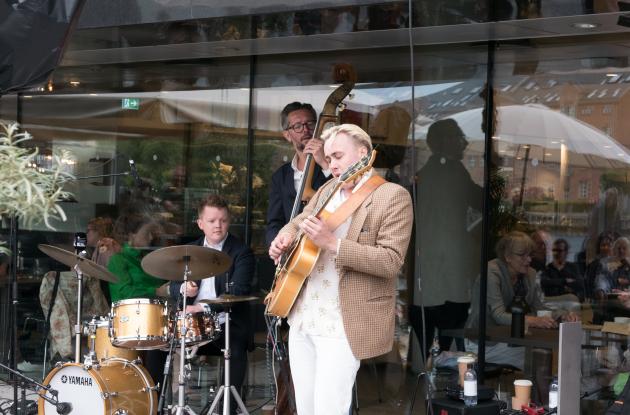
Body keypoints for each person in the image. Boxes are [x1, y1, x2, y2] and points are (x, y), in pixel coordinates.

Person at [268, 123, 413, 415]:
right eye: (329, 158)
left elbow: (390, 261)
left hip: (343, 322)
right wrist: (284, 237)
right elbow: (299, 220)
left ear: (363, 153)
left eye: (338, 156)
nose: (332, 164)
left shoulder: (392, 196)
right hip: (303, 316)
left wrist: (333, 244)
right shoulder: (328, 189)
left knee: (329, 408)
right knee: (305, 408)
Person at [171, 195, 255, 413]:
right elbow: (171, 286)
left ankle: (228, 408)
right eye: (212, 221)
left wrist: (203, 307)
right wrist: (183, 288)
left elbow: (239, 291)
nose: (218, 225)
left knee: (235, 349)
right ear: (200, 224)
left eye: (223, 220)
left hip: (226, 323)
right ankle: (161, 405)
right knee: (159, 346)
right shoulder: (189, 251)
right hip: (192, 324)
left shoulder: (241, 252)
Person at [409, 119, 482, 356]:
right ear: (445, 141)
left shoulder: (425, 173)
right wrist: (497, 180)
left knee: (426, 327)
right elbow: (481, 201)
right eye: (458, 137)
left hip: (428, 263)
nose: (464, 143)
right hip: (447, 264)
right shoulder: (452, 171)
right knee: (450, 326)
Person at [465, 231, 579, 370]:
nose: (529, 259)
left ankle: (540, 385)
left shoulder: (529, 274)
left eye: (530, 254)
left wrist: (563, 315)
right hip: (482, 342)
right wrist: (535, 321)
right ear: (507, 256)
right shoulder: (491, 272)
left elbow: (540, 308)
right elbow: (498, 315)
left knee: (543, 352)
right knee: (539, 355)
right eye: (522, 255)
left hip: (510, 338)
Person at [107, 214, 170, 385]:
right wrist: (156, 291)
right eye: (147, 233)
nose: (150, 237)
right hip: (129, 322)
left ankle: (159, 392)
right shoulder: (118, 260)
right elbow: (124, 293)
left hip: (154, 322)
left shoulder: (147, 259)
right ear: (131, 235)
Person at [265, 102, 331, 247]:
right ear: (287, 135)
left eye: (310, 123)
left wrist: (325, 163)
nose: (306, 130)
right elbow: (274, 222)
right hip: (292, 252)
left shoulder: (333, 165)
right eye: (298, 126)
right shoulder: (280, 177)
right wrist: (277, 244)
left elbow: (344, 194)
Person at [541, 238, 584, 303]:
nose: (556, 253)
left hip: (569, 302)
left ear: (566, 252)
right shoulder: (547, 268)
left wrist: (555, 283)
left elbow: (580, 284)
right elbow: (544, 282)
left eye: (559, 251)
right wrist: (564, 281)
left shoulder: (573, 267)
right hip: (553, 301)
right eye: (554, 250)